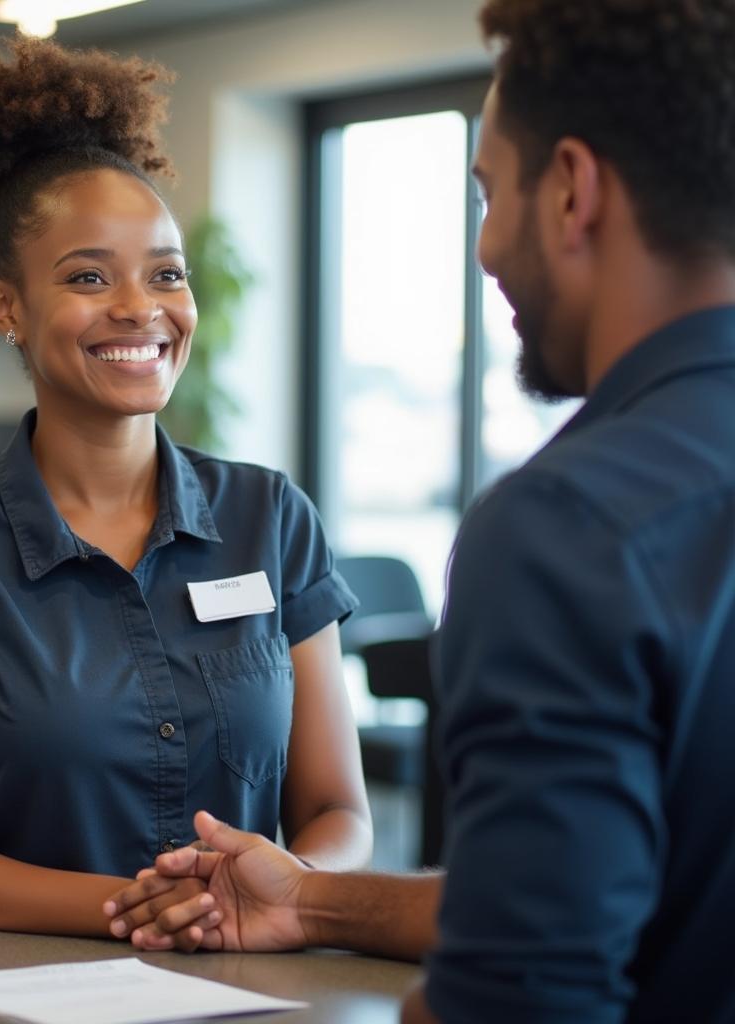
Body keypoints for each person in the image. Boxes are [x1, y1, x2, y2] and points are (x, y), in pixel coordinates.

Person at [104, 2, 735, 1021]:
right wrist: (311, 898)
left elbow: (525, 993)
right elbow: (618, 888)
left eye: (490, 194)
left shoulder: (568, 526)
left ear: (571, 190)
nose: (485, 252)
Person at [0, 37, 371, 938]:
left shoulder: (270, 518)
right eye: (87, 276)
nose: (139, 307)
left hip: (246, 987)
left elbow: (339, 813)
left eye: (166, 272)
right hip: (11, 994)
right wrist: (153, 912)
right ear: (6, 307)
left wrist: (293, 895)